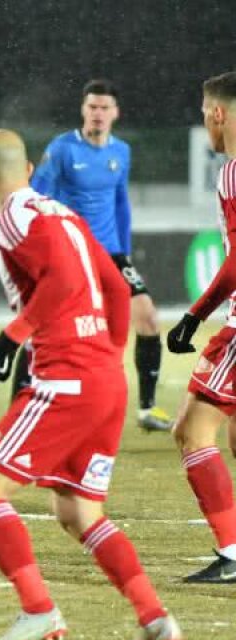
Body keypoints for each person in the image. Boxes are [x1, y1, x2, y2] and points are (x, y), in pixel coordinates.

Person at [0, 128, 180, 640]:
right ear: (32, 169)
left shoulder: (14, 213)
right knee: (79, 512)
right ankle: (155, 618)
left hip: (64, 379)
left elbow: (60, 279)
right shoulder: (63, 213)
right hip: (105, 379)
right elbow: (114, 287)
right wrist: (106, 354)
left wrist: (9, 338)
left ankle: (38, 609)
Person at [29, 79, 171, 432]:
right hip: (71, 254)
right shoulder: (62, 149)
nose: (98, 114)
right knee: (50, 330)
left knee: (149, 319)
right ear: (83, 110)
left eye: (104, 108)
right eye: (92, 107)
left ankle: (147, 409)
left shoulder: (120, 152)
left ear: (115, 113)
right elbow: (33, 198)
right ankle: (27, 401)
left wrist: (123, 251)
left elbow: (121, 202)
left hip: (111, 254)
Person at [164, 70, 236, 584]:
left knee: (192, 431)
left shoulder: (234, 171)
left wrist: (194, 314)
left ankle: (233, 554)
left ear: (217, 114)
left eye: (203, 115)